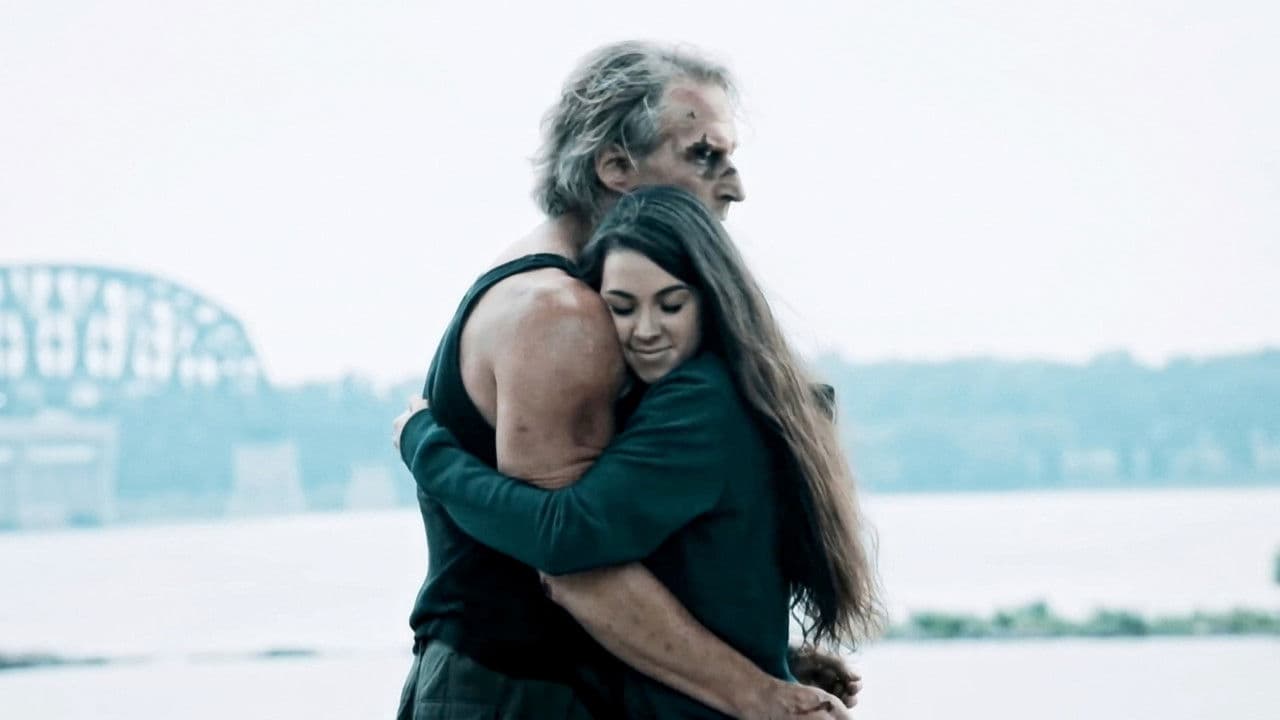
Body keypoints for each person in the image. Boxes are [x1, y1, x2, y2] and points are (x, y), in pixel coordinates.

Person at [391, 42, 860, 719]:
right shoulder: (562, 315)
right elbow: (577, 564)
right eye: (704, 155)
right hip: (518, 692)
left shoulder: (591, 295)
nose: (734, 186)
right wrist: (760, 693)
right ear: (615, 166)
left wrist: (769, 656)